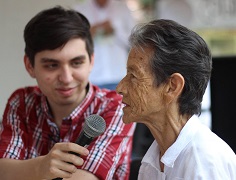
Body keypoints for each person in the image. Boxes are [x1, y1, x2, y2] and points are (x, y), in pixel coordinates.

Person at [0, 6, 135, 180]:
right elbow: (3, 170)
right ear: (29, 66)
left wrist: (26, 170)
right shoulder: (22, 102)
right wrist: (41, 167)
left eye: (76, 63)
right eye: (52, 65)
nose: (66, 78)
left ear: (91, 61)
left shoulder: (115, 106)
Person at [116, 19, 236, 179]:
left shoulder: (204, 164)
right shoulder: (154, 158)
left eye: (133, 76)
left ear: (172, 86)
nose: (120, 88)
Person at [74, 0, 135, 90]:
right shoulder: (80, 10)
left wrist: (116, 31)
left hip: (119, 75)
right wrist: (88, 34)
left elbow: (134, 41)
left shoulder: (122, 8)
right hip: (92, 77)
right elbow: (74, 46)